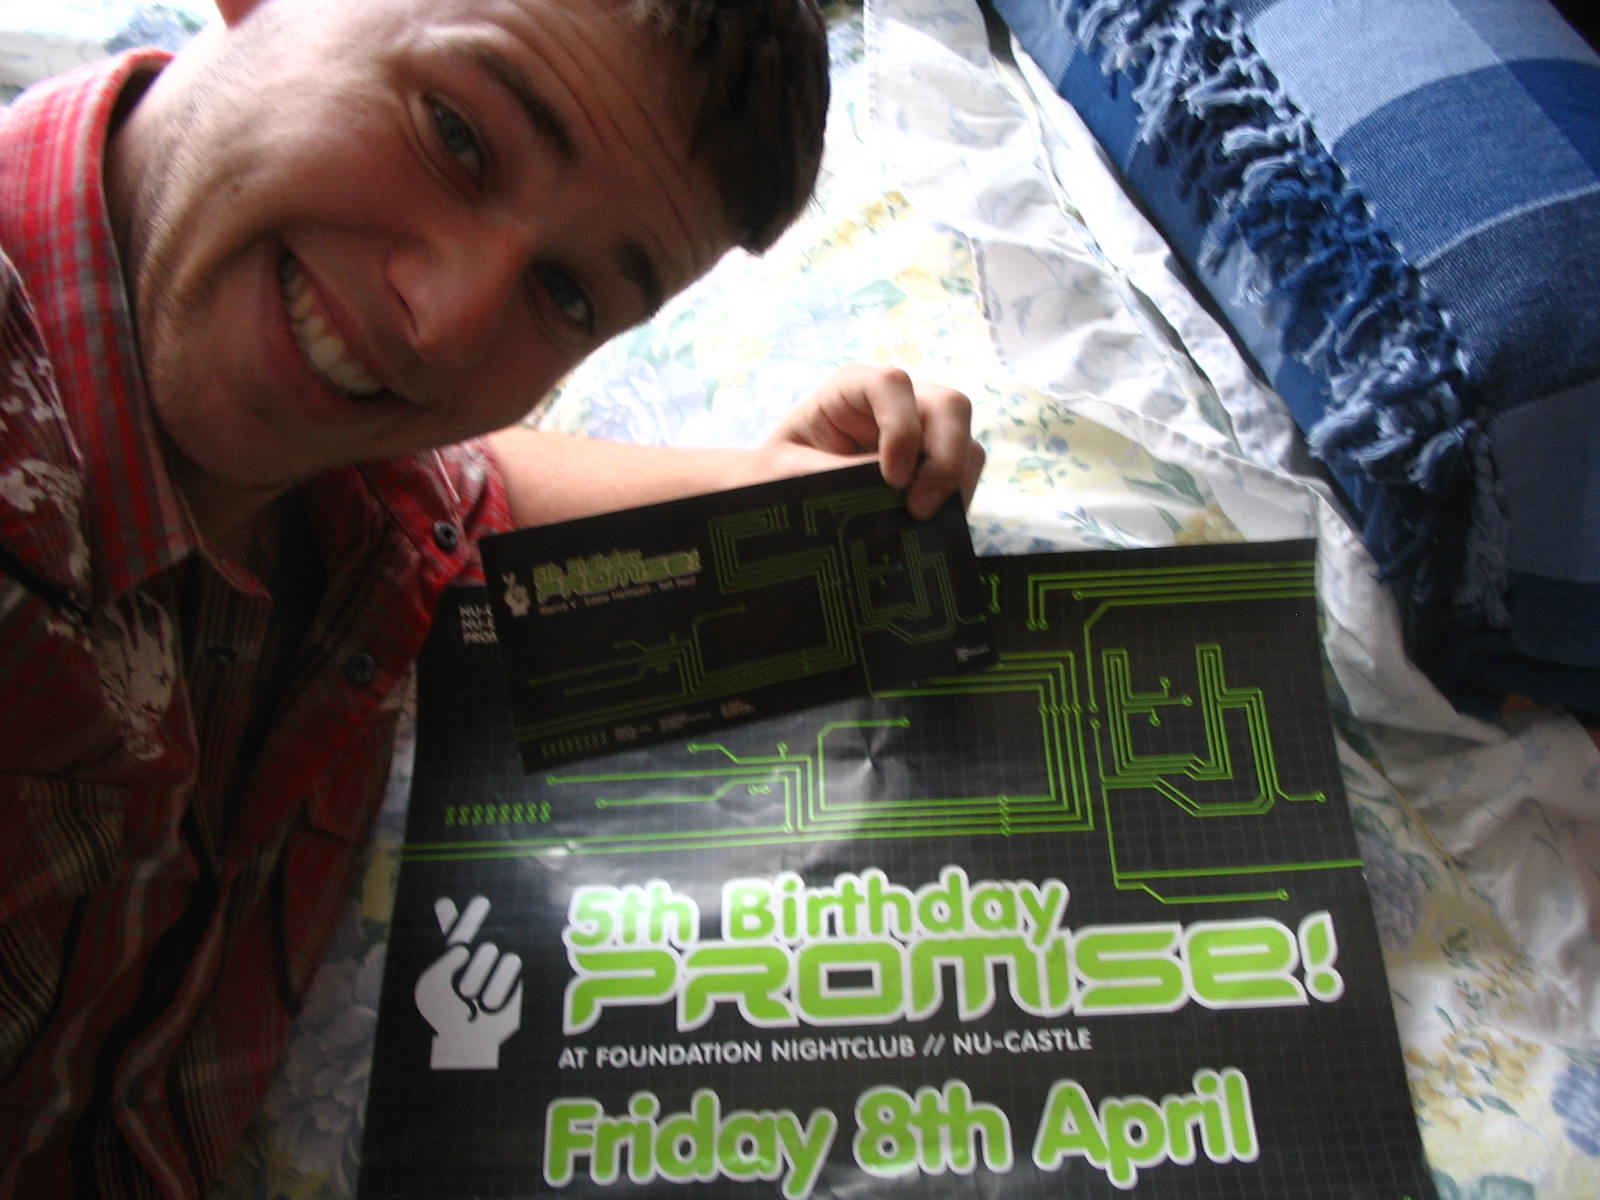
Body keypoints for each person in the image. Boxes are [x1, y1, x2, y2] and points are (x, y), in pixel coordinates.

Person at [0, 0, 984, 1193]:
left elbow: (455, 491)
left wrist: (774, 495)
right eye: (455, 136)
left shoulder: (351, 475)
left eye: (565, 295)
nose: (441, 325)